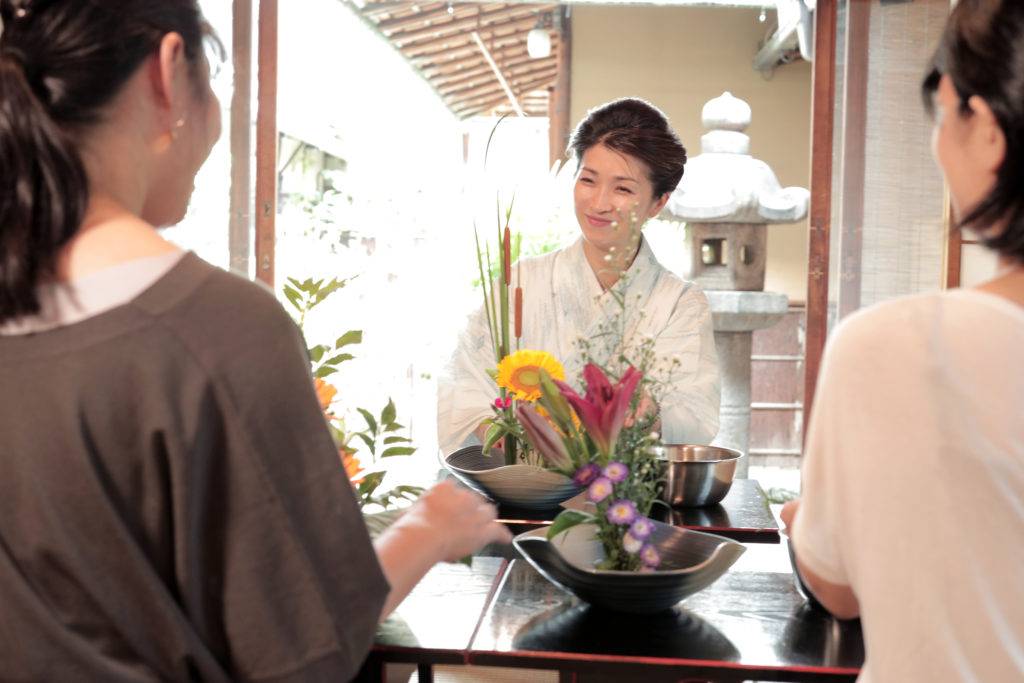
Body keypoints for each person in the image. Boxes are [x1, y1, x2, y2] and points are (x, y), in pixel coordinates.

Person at [0, 1, 509, 680]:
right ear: (167, 72)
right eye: (214, 78)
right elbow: (304, 653)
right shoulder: (218, 333)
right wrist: (429, 529)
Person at [783, 0, 1024, 680]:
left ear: (991, 132)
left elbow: (836, 584)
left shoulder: (895, 347)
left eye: (945, 112)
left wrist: (810, 523)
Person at [438, 98, 720, 455]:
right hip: (521, 486)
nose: (599, 203)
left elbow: (695, 411)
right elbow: (463, 383)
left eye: (623, 189)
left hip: (625, 496)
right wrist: (516, 444)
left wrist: (648, 413)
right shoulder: (523, 282)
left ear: (658, 202)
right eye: (588, 180)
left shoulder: (679, 303)